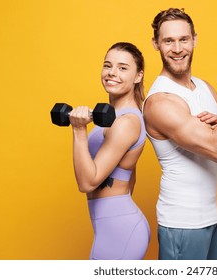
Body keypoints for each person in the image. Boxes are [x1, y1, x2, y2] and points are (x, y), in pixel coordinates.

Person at [143, 8, 217, 260]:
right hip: (182, 223)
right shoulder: (161, 101)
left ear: (194, 40)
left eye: (183, 39)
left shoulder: (206, 88)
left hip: (210, 218)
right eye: (168, 41)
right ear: (156, 44)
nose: (177, 48)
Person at [69, 42, 150, 260]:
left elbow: (87, 182)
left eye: (123, 68)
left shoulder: (126, 122)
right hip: (111, 225)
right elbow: (131, 176)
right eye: (108, 65)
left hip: (120, 229)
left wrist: (78, 130)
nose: (112, 72)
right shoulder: (113, 117)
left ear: (138, 76)